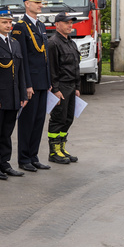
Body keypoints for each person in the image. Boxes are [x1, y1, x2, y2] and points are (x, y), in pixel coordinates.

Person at [0, 7, 28, 180]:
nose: (8, 25)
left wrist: (22, 94)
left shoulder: (15, 43)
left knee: (7, 132)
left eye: (10, 22)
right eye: (4, 22)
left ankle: (4, 163)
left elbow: (20, 71)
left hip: (14, 96)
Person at [12, 0, 52, 173]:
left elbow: (44, 57)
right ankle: (24, 158)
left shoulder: (41, 26)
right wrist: (26, 84)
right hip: (31, 83)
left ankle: (34, 155)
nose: (40, 5)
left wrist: (49, 80)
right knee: (27, 122)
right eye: (36, 2)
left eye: (40, 2)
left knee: (38, 121)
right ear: (27, 4)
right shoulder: (20, 27)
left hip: (42, 81)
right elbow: (22, 59)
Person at [47, 12, 81, 164]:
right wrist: (55, 89)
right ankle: (54, 152)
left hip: (72, 87)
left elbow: (76, 67)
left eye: (71, 23)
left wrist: (78, 87)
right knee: (58, 119)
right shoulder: (53, 43)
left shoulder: (71, 43)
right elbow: (52, 69)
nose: (70, 25)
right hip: (61, 87)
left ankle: (62, 148)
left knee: (68, 119)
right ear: (57, 24)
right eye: (66, 22)